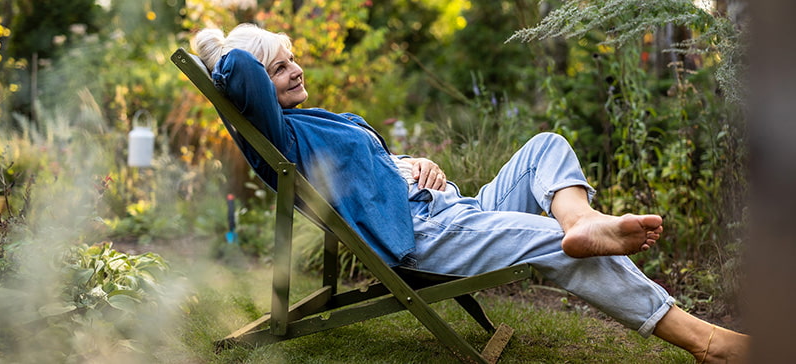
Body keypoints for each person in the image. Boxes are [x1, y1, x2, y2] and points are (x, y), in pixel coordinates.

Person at [193, 23, 750, 363]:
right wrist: (217, 47)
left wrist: (407, 164)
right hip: (426, 235)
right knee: (549, 243)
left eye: (291, 60)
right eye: (278, 67)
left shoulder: (312, 122)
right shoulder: (279, 132)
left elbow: (366, 165)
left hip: (452, 208)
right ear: (258, 89)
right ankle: (706, 343)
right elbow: (239, 68)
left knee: (545, 146)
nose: (293, 70)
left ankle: (583, 220)